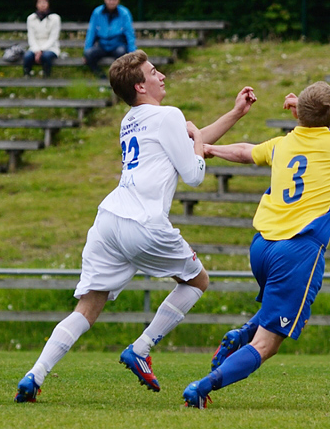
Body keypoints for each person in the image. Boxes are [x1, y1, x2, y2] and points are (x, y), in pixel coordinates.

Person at [14, 49, 256, 403]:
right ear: (141, 85)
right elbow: (194, 174)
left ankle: (34, 375)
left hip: (109, 220)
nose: (162, 76)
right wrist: (196, 138)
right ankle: (141, 348)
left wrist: (233, 115)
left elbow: (186, 142)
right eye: (155, 72)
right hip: (144, 222)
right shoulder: (169, 115)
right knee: (197, 281)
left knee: (88, 306)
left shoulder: (131, 119)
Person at [183, 81, 330, 408]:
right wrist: (304, 111)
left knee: (273, 309)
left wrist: (211, 148)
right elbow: (323, 128)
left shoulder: (283, 145)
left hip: (262, 247)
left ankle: (239, 335)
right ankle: (203, 387)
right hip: (298, 250)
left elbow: (247, 151)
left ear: (300, 117)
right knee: (267, 345)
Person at [83, 0, 136, 78]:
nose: (112, 2)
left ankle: (117, 78)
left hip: (118, 45)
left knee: (122, 54)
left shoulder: (124, 13)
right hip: (102, 45)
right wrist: (86, 49)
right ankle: (101, 76)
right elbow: (91, 33)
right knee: (89, 54)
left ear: (118, 0)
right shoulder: (97, 12)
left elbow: (129, 34)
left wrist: (133, 52)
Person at [23, 0, 61, 77]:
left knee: (46, 56)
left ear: (48, 4)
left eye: (45, 2)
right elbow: (31, 37)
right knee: (27, 56)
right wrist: (37, 50)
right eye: (40, 2)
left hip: (51, 48)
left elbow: (53, 38)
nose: (42, 5)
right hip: (35, 48)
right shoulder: (31, 18)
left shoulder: (55, 18)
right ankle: (27, 76)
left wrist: (41, 50)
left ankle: (46, 76)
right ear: (36, 4)